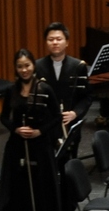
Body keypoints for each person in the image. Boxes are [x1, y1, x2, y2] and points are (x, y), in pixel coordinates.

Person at [0, 50, 64, 211]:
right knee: (18, 193)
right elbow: (4, 117)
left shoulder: (44, 89)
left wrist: (40, 131)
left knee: (42, 192)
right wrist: (16, 129)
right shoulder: (11, 90)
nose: (24, 70)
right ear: (15, 69)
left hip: (40, 147)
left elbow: (57, 116)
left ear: (33, 65)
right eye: (20, 67)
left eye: (27, 65)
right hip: (17, 147)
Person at [36, 23, 91, 156]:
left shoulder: (78, 66)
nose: (55, 42)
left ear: (67, 42)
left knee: (70, 161)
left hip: (69, 123)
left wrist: (75, 113)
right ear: (46, 42)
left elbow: (87, 96)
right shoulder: (37, 66)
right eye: (51, 39)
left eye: (59, 39)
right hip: (47, 126)